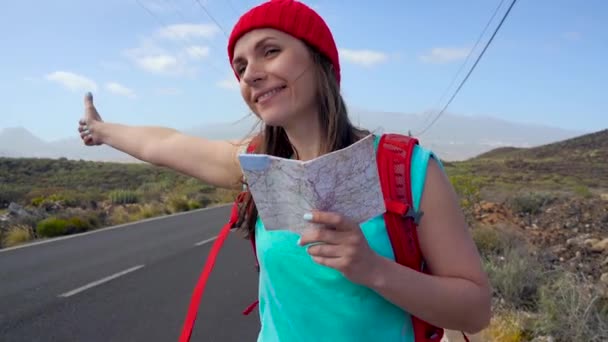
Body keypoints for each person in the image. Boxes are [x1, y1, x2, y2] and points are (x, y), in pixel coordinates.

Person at [78, 0, 492, 340]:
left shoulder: (408, 169)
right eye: (240, 67)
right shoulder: (257, 166)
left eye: (270, 51)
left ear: (320, 60)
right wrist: (101, 130)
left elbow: (474, 311)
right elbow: (164, 144)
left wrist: (374, 270)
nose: (250, 74)